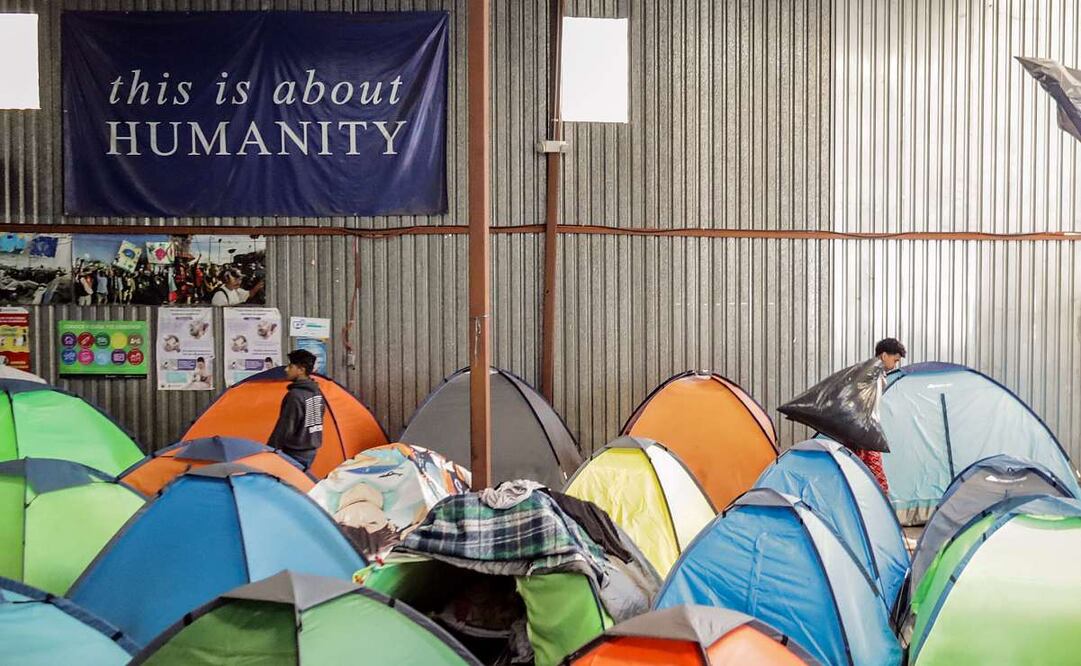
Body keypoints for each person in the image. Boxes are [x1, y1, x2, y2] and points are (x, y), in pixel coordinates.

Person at [860, 337, 907, 492]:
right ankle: (880, 508)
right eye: (895, 360)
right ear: (884, 355)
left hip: (862, 432)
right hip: (867, 433)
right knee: (879, 482)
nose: (895, 365)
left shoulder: (872, 373)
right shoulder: (872, 375)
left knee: (859, 472)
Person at [267, 349, 325, 471]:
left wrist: (270, 450)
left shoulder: (295, 395)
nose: (286, 369)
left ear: (301, 370)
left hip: (294, 453)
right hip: (310, 451)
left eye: (290, 366)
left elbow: (285, 427)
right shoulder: (317, 392)